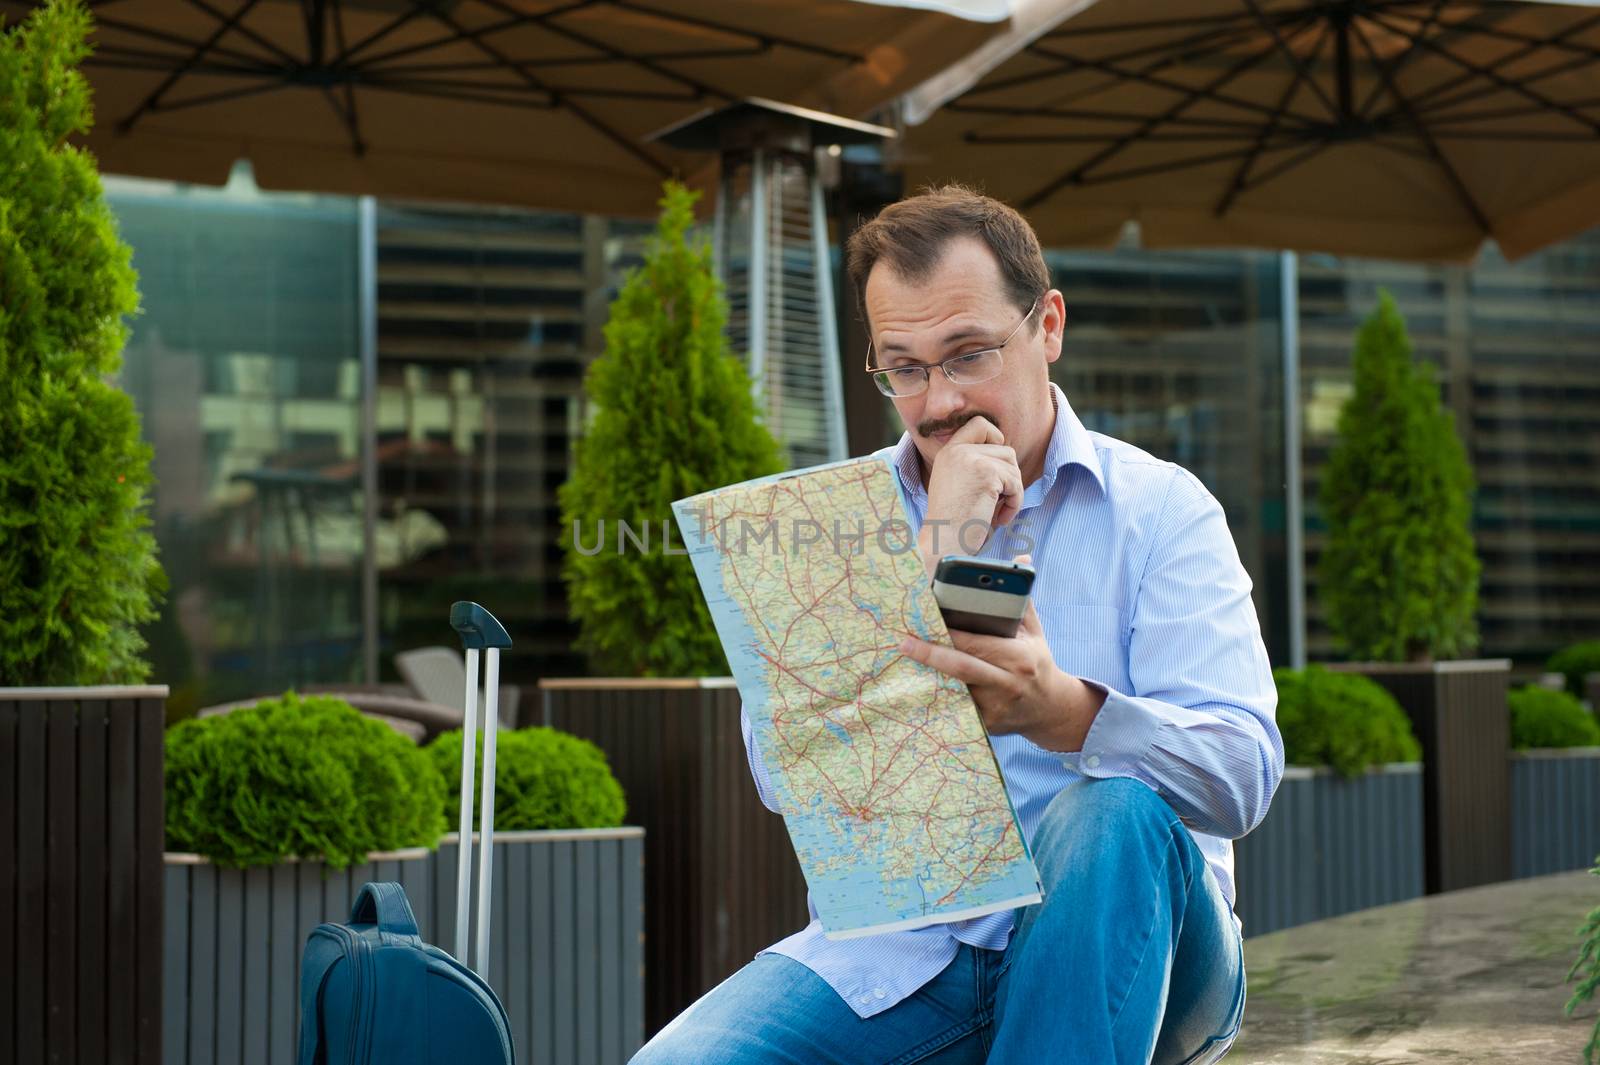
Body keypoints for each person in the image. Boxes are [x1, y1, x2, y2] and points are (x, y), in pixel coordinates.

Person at [632, 185, 1282, 1065]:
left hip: (1150, 945)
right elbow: (784, 776)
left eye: (969, 353)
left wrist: (1070, 713)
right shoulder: (835, 523)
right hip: (908, 953)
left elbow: (1243, 773)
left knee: (1112, 811)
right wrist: (934, 549)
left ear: (1047, 325)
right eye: (904, 366)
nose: (938, 402)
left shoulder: (1163, 509)